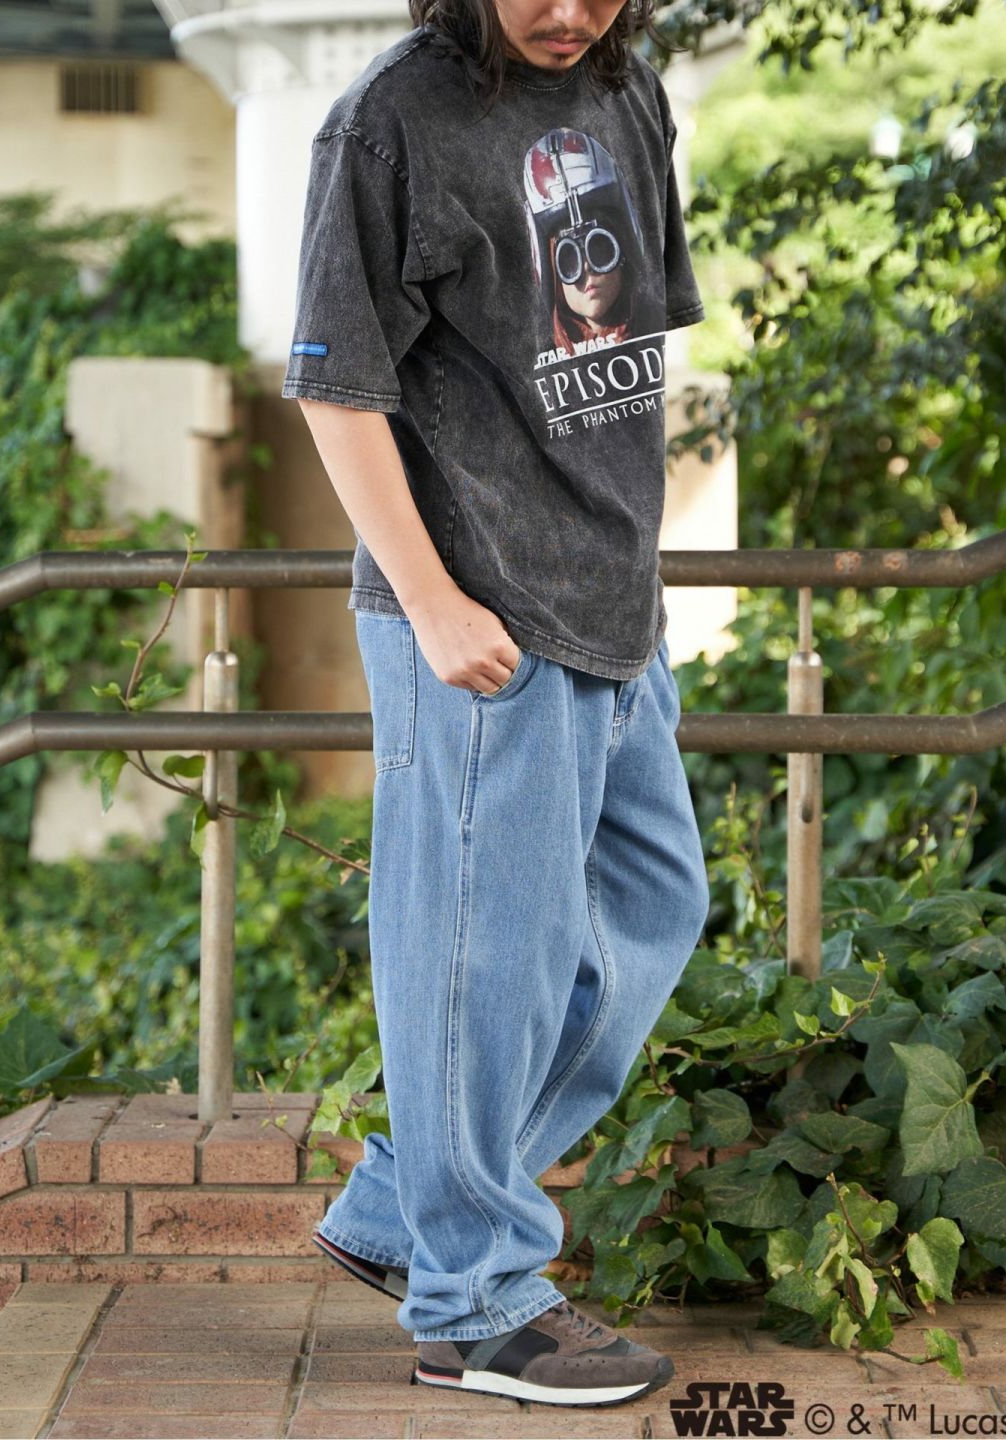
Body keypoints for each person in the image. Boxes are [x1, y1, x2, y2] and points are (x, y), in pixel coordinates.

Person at [283, 0, 711, 1409]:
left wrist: (635, 584)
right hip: (478, 624)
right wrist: (431, 601)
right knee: (484, 968)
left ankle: (407, 1206)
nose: (567, 10)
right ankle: (474, 1305)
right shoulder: (391, 120)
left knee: (652, 910)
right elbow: (337, 389)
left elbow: (617, 360)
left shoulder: (626, 93)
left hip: (612, 609)